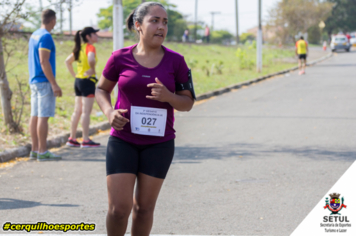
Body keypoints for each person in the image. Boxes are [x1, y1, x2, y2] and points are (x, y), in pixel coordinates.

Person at [95, 2, 195, 235]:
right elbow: (101, 90)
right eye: (155, 21)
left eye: (165, 22)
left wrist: (169, 96)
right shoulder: (119, 58)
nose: (161, 27)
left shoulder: (176, 61)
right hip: (123, 140)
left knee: (144, 209)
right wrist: (110, 112)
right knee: (119, 209)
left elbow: (188, 103)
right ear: (138, 25)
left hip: (158, 144)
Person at [28, 9, 62, 161]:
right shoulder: (46, 36)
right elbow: (44, 61)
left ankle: (34, 150)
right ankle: (42, 151)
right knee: (43, 117)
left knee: (34, 115)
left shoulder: (35, 34)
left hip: (34, 80)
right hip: (44, 81)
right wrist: (54, 84)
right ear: (53, 20)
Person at [65, 27, 101, 148]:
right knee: (86, 111)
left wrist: (74, 75)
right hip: (87, 81)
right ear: (88, 37)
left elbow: (67, 61)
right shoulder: (90, 48)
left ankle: (72, 138)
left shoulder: (78, 48)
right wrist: (92, 69)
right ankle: (85, 139)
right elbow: (91, 58)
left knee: (77, 111)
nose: (97, 35)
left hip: (78, 81)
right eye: (94, 34)